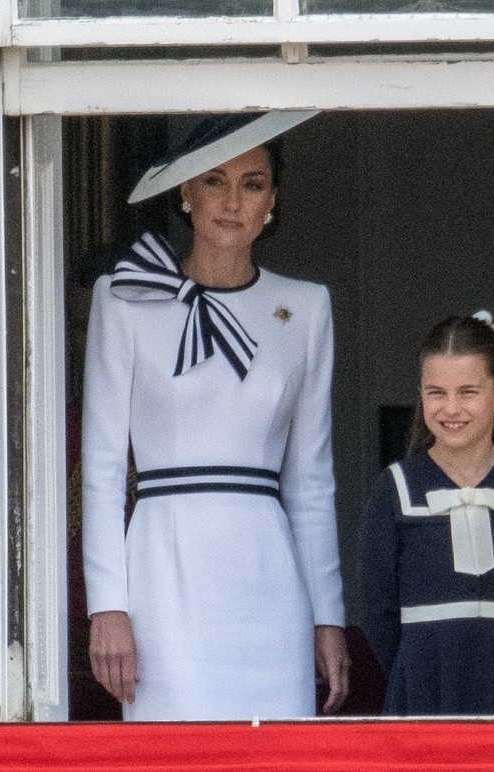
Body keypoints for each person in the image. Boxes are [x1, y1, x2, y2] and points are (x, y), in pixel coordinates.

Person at [82, 111, 350, 721]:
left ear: (272, 201)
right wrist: (108, 604)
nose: (232, 201)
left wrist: (327, 615)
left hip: (268, 575)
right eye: (214, 181)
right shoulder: (125, 300)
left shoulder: (305, 308)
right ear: (184, 191)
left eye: (252, 183)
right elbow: (100, 469)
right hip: (161, 571)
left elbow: (310, 482)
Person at [359, 312, 494, 715]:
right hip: (422, 687)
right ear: (421, 394)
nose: (451, 408)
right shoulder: (395, 487)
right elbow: (376, 608)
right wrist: (414, 667)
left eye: (467, 392)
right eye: (436, 392)